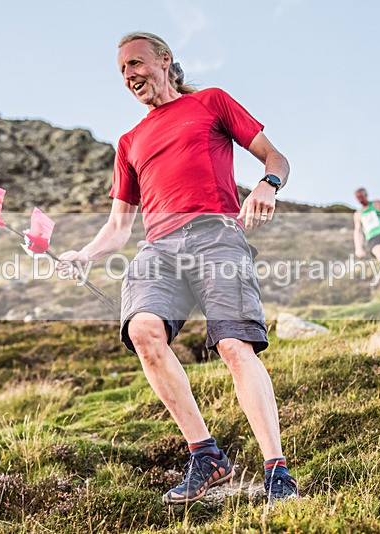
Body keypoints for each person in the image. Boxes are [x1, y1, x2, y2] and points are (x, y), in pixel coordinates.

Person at [57, 32, 298, 505]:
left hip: (216, 236)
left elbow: (276, 157)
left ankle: (277, 472)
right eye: (122, 70)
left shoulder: (211, 103)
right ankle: (206, 456)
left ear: (164, 61)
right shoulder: (129, 142)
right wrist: (83, 255)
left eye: (136, 63)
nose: (129, 75)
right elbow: (117, 227)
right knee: (144, 331)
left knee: (233, 345)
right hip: (159, 249)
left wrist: (267, 185)